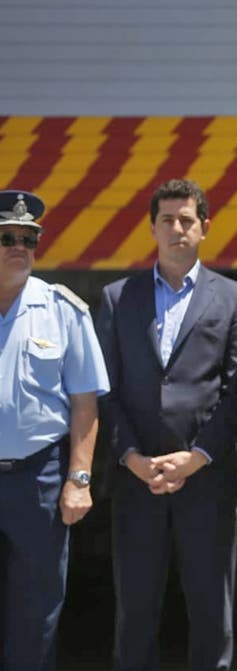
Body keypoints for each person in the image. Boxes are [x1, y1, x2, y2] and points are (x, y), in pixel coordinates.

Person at [96, 179, 237, 671]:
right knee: (136, 610)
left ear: (205, 227)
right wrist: (132, 458)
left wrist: (198, 457)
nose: (177, 228)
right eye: (168, 220)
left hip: (208, 478)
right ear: (153, 227)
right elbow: (105, 391)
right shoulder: (119, 298)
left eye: (187, 220)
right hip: (137, 480)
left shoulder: (235, 299)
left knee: (210, 610)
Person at [0, 190, 109, 670]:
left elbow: (85, 403)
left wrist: (78, 479)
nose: (19, 246)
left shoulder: (64, 309)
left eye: (29, 239)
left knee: (37, 609)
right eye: (7, 238)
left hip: (38, 479)